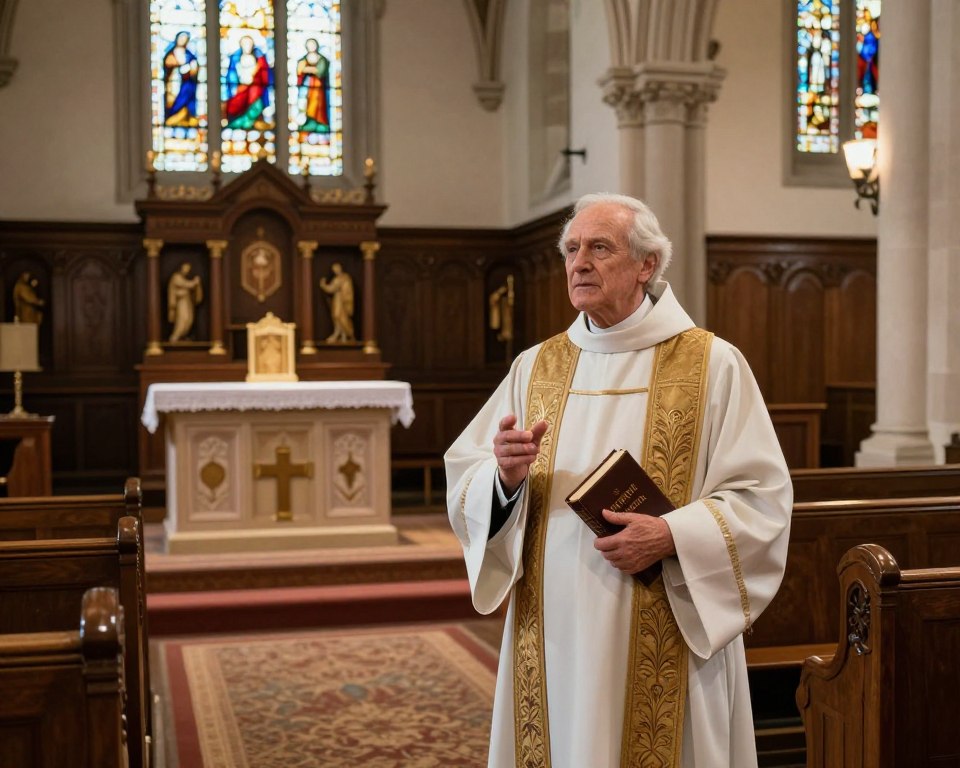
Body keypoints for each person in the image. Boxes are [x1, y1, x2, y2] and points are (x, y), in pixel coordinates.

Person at [445, 193, 792, 768]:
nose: (579, 262)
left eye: (599, 248)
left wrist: (673, 535)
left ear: (646, 265)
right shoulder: (536, 366)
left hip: (668, 610)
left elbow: (762, 500)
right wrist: (503, 477)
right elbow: (469, 473)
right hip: (552, 622)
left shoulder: (713, 364)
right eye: (572, 249)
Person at [224, 35, 273, 130]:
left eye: (249, 44)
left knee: (257, 105)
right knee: (236, 106)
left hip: (255, 88)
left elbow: (264, 75)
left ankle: (250, 123)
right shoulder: (235, 58)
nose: (247, 46)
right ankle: (237, 124)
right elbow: (232, 76)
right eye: (245, 44)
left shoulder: (259, 59)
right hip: (241, 88)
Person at [163, 31, 200, 127]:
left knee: (187, 98)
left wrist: (191, 68)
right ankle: (172, 118)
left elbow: (194, 68)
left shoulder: (189, 55)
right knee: (173, 101)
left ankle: (188, 118)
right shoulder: (171, 53)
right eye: (181, 38)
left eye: (185, 39)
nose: (182, 41)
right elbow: (168, 64)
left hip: (187, 83)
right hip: (174, 81)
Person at [296, 38, 331, 133]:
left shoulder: (322, 59)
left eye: (313, 44)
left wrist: (307, 69)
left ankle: (319, 122)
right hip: (306, 85)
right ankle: (308, 122)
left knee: (317, 104)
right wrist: (310, 69)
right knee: (304, 103)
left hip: (318, 87)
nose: (312, 47)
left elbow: (321, 71)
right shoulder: (303, 59)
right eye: (309, 45)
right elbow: (299, 70)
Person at [319, 263, 355, 343]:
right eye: (334, 270)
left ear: (340, 268)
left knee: (341, 316)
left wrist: (324, 285)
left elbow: (346, 289)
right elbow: (331, 289)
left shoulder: (345, 278)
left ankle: (344, 334)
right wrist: (324, 286)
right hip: (337, 299)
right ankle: (339, 334)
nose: (336, 271)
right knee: (336, 316)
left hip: (343, 300)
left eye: (336, 269)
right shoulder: (336, 279)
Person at [167, 262, 203, 342]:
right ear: (181, 268)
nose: (187, 270)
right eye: (185, 268)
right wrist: (194, 282)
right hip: (181, 302)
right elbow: (185, 284)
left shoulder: (183, 278)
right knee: (183, 319)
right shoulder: (176, 277)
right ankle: (175, 337)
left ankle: (182, 336)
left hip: (187, 301)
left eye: (188, 269)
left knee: (189, 319)